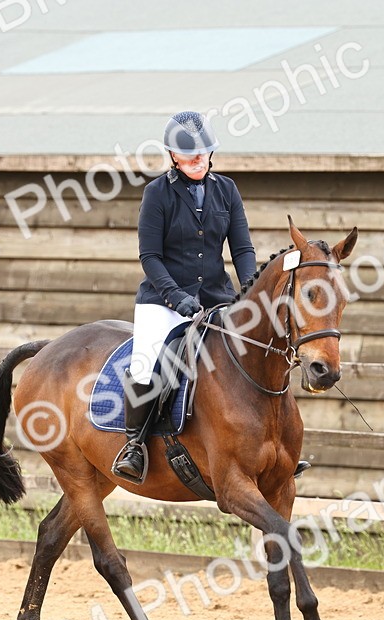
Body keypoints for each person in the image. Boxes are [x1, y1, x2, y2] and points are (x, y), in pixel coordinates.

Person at [112, 111, 257, 483]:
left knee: (257, 353)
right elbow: (150, 257)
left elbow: (242, 249)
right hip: (163, 301)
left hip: (217, 297)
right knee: (145, 362)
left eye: (203, 153)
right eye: (190, 155)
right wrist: (176, 298)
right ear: (173, 156)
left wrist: (250, 290)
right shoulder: (157, 194)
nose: (198, 160)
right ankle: (134, 446)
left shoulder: (227, 190)